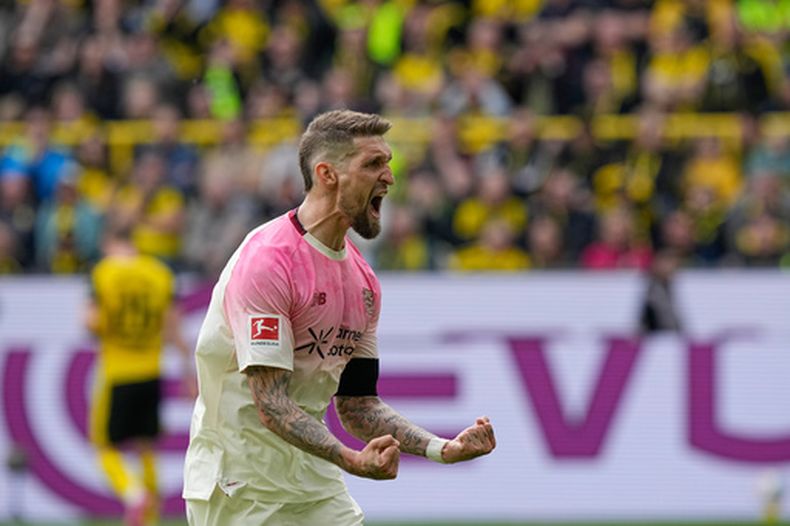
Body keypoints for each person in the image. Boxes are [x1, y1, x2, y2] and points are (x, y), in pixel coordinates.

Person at [183, 110, 496, 525]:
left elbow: (358, 405)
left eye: (388, 163)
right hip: (239, 487)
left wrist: (441, 448)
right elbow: (271, 404)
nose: (389, 177)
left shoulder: (363, 281)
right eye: (373, 164)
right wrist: (350, 458)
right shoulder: (268, 261)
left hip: (314, 484)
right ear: (327, 174)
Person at [85, 227, 194, 526]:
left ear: (111, 244)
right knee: (146, 445)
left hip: (117, 372)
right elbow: (174, 329)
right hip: (151, 371)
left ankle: (134, 496)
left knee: (104, 446)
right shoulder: (160, 274)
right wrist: (188, 374)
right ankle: (151, 518)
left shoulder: (103, 272)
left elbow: (91, 322)